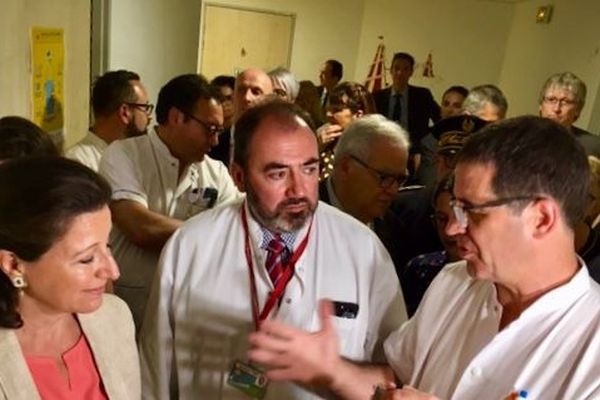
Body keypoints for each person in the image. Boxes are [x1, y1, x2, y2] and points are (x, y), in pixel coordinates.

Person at [248, 116, 600, 400]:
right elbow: (397, 377)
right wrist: (332, 369)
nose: (452, 230)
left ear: (541, 218)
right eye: (454, 208)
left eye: (473, 212)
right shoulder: (454, 282)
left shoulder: (591, 348)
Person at [139, 100, 407, 399]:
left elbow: (396, 372)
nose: (299, 190)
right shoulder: (191, 245)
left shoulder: (364, 250)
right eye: (277, 174)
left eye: (309, 169)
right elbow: (155, 371)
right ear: (239, 177)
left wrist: (337, 369)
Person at [99, 74, 239, 330]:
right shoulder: (123, 155)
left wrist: (219, 234)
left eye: (219, 131)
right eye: (210, 129)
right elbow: (139, 227)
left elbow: (235, 233)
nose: (215, 141)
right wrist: (211, 232)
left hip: (189, 310)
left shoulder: (215, 172)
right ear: (176, 117)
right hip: (133, 306)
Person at [0, 157, 139, 399]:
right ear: (13, 264)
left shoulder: (115, 319)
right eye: (86, 259)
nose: (112, 272)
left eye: (107, 246)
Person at [319, 114, 410, 272]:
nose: (393, 190)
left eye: (399, 179)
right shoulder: (299, 216)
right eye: (384, 177)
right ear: (346, 167)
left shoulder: (395, 231)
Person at [372, 52, 441, 179]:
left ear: (411, 72)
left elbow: (439, 120)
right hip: (383, 151)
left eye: (405, 69)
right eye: (396, 68)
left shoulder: (422, 95)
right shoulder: (378, 97)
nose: (400, 73)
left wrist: (426, 140)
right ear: (391, 71)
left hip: (412, 153)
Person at [66, 70, 152, 170]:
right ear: (125, 112)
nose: (149, 117)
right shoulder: (78, 164)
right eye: (145, 108)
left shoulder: (133, 156)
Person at [402, 174, 459, 316]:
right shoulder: (421, 269)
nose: (449, 230)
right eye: (442, 219)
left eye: (459, 218)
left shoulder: (494, 278)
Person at [209, 68, 274, 165]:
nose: (246, 97)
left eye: (256, 92)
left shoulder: (280, 147)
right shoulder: (212, 146)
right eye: (241, 90)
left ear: (270, 100)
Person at [317, 81, 376, 180]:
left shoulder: (372, 149)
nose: (328, 114)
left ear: (358, 115)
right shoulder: (322, 135)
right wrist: (317, 148)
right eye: (328, 108)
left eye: (336, 110)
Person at [539, 71, 600, 157]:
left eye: (566, 102)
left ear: (578, 109)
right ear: (541, 106)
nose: (556, 109)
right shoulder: (521, 137)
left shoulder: (592, 148)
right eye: (551, 100)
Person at [417, 85, 469, 186]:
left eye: (457, 106)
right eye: (446, 104)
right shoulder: (429, 140)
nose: (449, 110)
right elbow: (428, 182)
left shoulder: (472, 141)